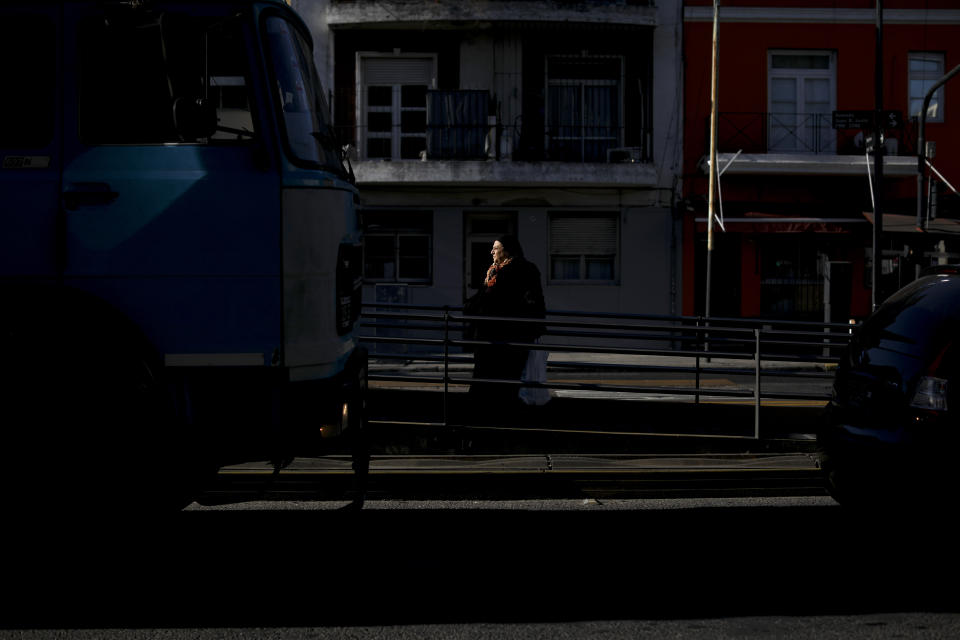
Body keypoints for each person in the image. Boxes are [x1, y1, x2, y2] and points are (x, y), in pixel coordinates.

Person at [464, 235, 546, 404]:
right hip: (507, 335)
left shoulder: (513, 270)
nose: (492, 251)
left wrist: (471, 307)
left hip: (502, 335)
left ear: (507, 250)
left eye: (496, 248)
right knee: (506, 379)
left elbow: (490, 298)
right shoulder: (499, 269)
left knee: (495, 378)